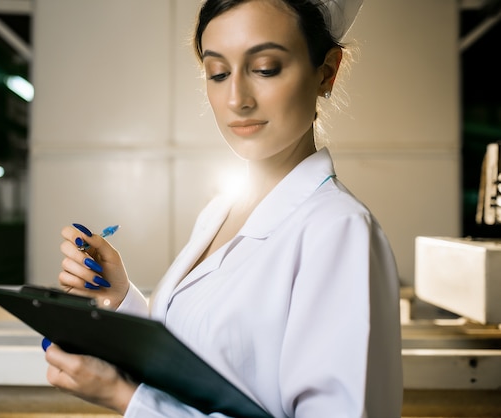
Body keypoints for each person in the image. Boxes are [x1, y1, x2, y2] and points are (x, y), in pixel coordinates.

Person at [44, 0, 403, 416]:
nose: (237, 99)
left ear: (326, 71)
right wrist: (121, 298)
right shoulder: (220, 210)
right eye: (217, 73)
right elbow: (200, 362)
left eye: (266, 68)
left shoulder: (338, 230)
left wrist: (123, 397)